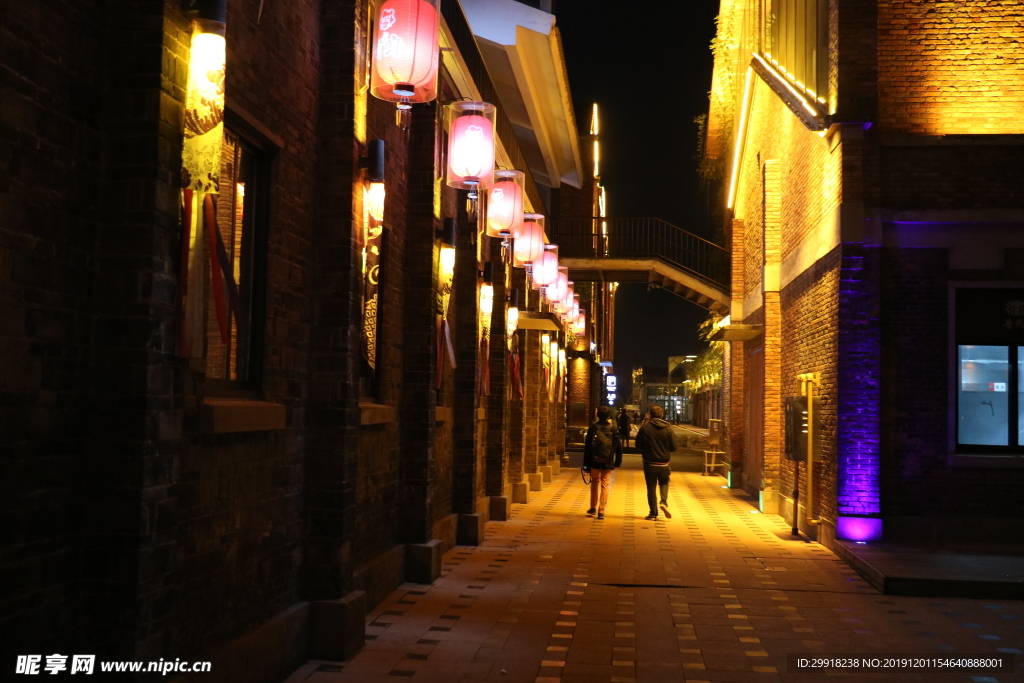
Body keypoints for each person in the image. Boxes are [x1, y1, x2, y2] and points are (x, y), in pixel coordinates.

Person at [634, 404, 676, 520]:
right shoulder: (668, 429)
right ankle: (663, 502)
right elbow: (674, 447)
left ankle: (653, 513)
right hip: (664, 463)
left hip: (649, 463)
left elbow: (638, 445)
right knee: (664, 483)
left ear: (650, 415)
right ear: (662, 415)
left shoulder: (645, 428)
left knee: (651, 487)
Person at [583, 406, 622, 520]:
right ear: (609, 416)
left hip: (594, 460)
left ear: (597, 415)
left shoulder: (593, 428)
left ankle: (592, 507)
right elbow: (618, 447)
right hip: (608, 460)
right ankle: (601, 510)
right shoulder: (613, 429)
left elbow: (588, 447)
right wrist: (618, 462)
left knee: (595, 482)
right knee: (605, 484)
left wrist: (586, 464)